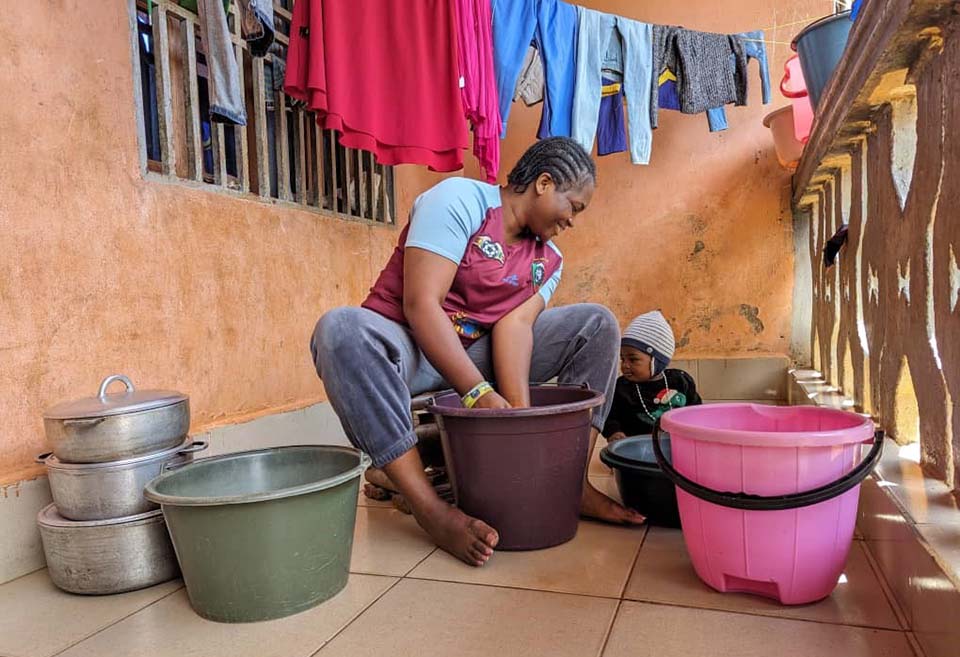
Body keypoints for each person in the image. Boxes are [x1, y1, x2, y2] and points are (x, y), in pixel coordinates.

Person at [310, 137, 644, 568]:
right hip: (406, 347)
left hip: (475, 351)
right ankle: (431, 509)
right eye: (574, 207)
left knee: (597, 324)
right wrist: (478, 393)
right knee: (339, 330)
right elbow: (421, 304)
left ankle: (570, 485)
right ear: (544, 183)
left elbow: (514, 326)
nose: (573, 221)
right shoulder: (459, 200)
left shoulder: (550, 259)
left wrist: (520, 424)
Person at [603, 310, 702, 441]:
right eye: (622, 359)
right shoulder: (621, 387)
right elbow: (609, 417)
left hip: (677, 446)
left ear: (657, 361)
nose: (625, 365)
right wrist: (614, 433)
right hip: (635, 450)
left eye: (633, 360)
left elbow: (696, 412)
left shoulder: (680, 381)